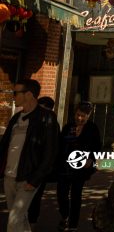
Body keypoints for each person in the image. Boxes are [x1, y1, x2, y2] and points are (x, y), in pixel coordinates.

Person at [0, 78, 60, 232]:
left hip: (28, 178)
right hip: (9, 176)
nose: (13, 96)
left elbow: (50, 153)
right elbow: (4, 146)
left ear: (29, 95)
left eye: (16, 93)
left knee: (14, 220)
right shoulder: (16, 118)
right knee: (21, 218)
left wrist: (35, 179)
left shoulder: (47, 118)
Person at [57, 101, 101, 231]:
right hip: (65, 166)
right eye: (77, 114)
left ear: (88, 116)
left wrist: (91, 159)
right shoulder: (68, 127)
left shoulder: (92, 128)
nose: (79, 118)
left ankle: (73, 225)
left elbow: (97, 147)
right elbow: (60, 144)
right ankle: (65, 215)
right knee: (61, 194)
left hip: (80, 168)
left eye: (83, 116)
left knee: (76, 195)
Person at [27, 96, 55, 227]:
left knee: (35, 196)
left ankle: (31, 221)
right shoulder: (30, 119)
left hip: (40, 168)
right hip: (27, 166)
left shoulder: (52, 124)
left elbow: (51, 151)